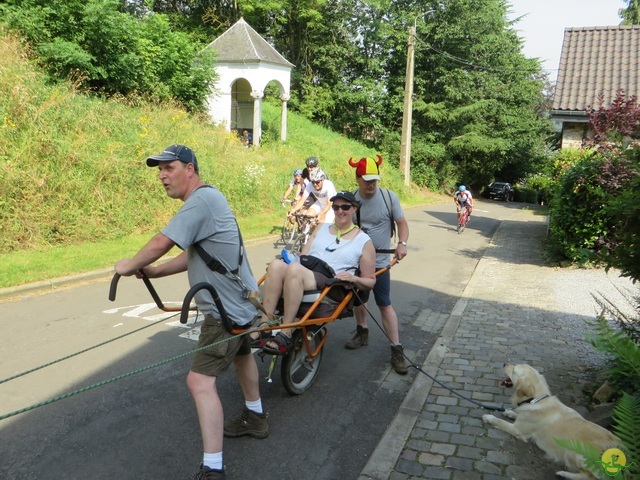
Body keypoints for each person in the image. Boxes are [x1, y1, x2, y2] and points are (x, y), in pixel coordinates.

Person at [114, 145, 267, 480]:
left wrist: (130, 265)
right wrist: (154, 272)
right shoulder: (207, 201)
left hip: (223, 308)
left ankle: (213, 468)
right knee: (242, 357)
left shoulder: (200, 201)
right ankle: (256, 417)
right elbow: (195, 255)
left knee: (199, 381)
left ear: (190, 169)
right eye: (159, 170)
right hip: (238, 302)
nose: (162, 176)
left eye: (168, 168)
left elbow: (161, 242)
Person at [259, 191, 377, 354]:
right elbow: (304, 256)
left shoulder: (364, 241)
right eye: (335, 207)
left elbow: (370, 281)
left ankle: (285, 332)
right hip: (307, 271)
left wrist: (352, 278)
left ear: (354, 209)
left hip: (331, 282)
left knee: (294, 269)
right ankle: (265, 324)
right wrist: (293, 258)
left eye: (345, 207)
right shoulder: (321, 228)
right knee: (275, 265)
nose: (339, 211)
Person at [345, 155, 411, 375]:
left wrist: (401, 243)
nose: (371, 184)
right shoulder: (351, 201)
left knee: (384, 304)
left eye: (374, 180)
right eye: (367, 180)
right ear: (357, 178)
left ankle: (396, 348)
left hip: (382, 262)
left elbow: (402, 223)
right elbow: (342, 231)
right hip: (359, 263)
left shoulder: (388, 197)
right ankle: (362, 332)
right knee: (358, 301)